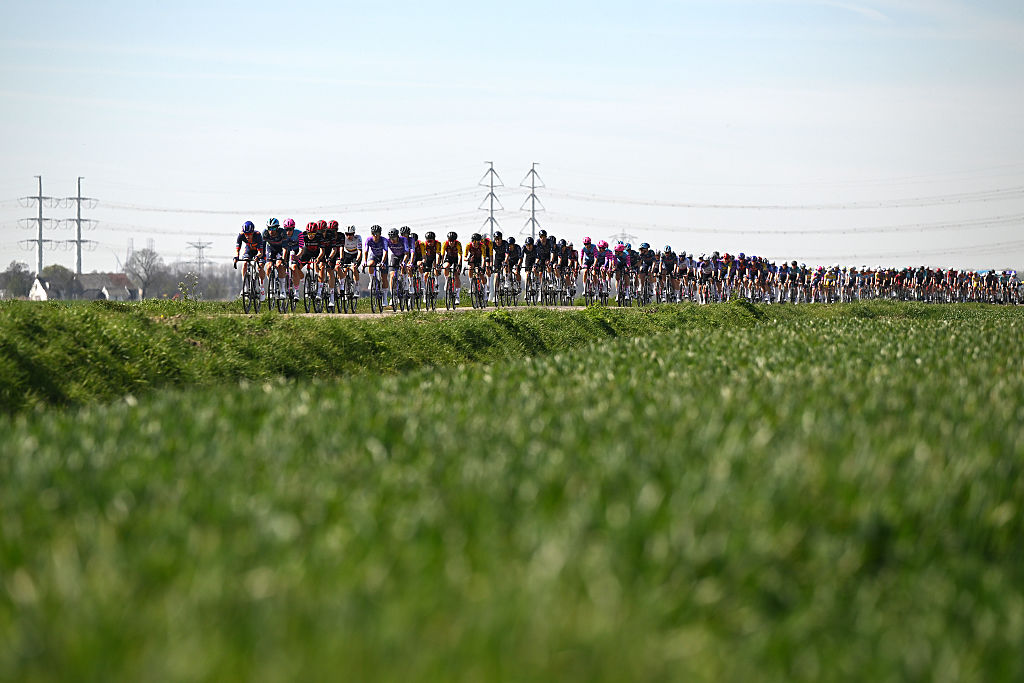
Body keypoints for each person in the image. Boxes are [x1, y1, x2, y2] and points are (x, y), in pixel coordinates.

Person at [234, 220, 264, 296]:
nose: (247, 236)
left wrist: (257, 257)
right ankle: (245, 286)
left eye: (249, 234)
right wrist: (236, 257)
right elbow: (238, 248)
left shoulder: (258, 235)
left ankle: (259, 286)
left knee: (259, 266)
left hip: (258, 251)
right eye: (246, 234)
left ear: (253, 232)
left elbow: (261, 253)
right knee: (244, 263)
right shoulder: (241, 235)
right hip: (249, 250)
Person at [363, 225, 388, 302]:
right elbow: (366, 251)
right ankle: (371, 280)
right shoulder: (369, 239)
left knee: (384, 278)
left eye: (377, 233)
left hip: (383, 257)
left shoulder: (384, 240)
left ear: (380, 234)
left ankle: (385, 298)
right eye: (374, 233)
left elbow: (385, 252)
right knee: (370, 264)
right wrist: (364, 261)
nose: (376, 235)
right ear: (371, 234)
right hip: (374, 255)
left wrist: (383, 262)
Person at [442, 231, 463, 304]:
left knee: (456, 276)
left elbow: (460, 255)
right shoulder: (445, 243)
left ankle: (457, 296)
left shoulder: (458, 244)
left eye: (453, 241)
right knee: (446, 266)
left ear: (455, 240)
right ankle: (447, 280)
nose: (451, 242)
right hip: (449, 258)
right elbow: (442, 254)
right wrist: (441, 263)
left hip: (456, 259)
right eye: (450, 240)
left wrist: (459, 265)